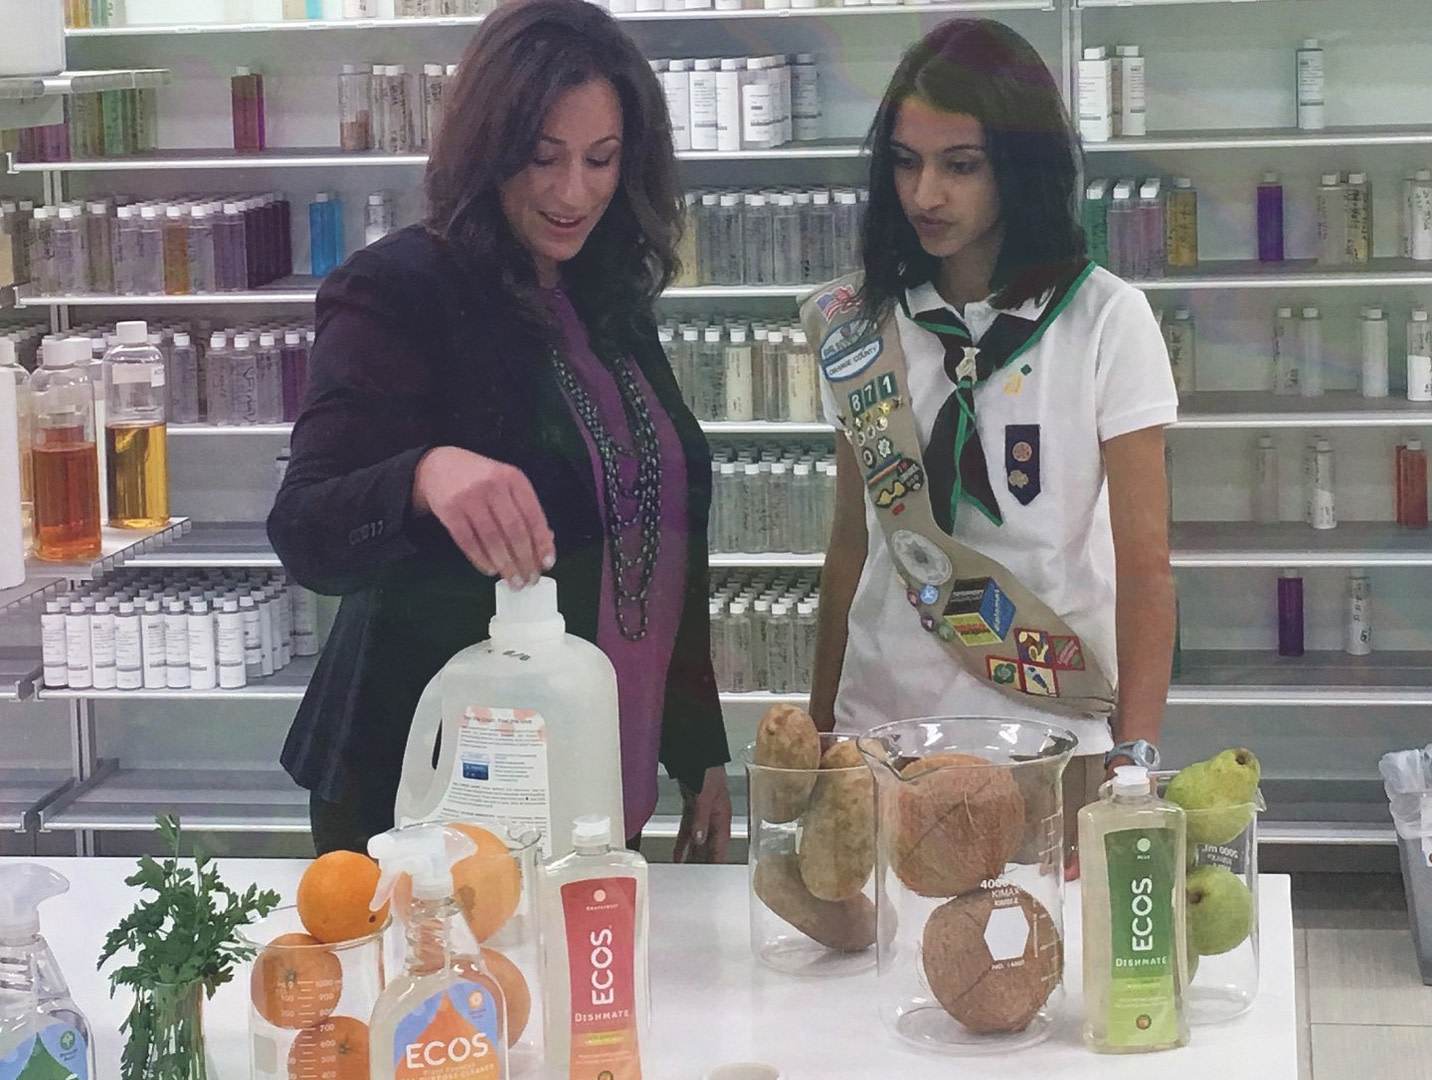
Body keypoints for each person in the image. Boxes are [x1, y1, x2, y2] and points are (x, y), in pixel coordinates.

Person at [267, 0, 732, 861]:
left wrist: (698, 745)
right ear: (487, 147)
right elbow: (306, 530)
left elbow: (662, 528)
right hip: (434, 802)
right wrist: (423, 475)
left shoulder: (608, 292)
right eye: (542, 157)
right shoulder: (401, 289)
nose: (573, 192)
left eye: (602, 160)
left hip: (591, 775)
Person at [803, 18, 1177, 873]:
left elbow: (1147, 568)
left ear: (1021, 165)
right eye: (905, 161)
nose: (925, 193)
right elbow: (851, 543)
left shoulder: (1106, 321)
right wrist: (819, 725)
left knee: (1044, 982)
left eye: (959, 165)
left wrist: (1136, 758)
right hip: (882, 738)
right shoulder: (859, 329)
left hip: (1052, 738)